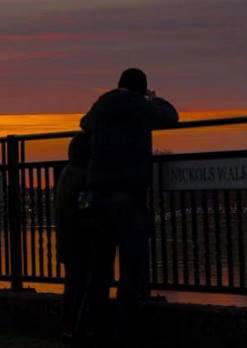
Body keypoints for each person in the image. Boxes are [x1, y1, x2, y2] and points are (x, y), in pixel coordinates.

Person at [80, 68, 178, 347]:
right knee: (131, 270)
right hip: (128, 198)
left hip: (98, 198)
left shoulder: (102, 104)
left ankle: (93, 330)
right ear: (142, 88)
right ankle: (124, 333)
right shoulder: (139, 105)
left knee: (99, 270)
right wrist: (152, 99)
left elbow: (84, 123)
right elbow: (171, 116)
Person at [55, 129, 91, 344]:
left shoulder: (68, 173)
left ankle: (69, 327)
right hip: (81, 238)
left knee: (73, 283)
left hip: (68, 238)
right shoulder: (83, 177)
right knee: (82, 282)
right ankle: (80, 328)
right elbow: (85, 207)